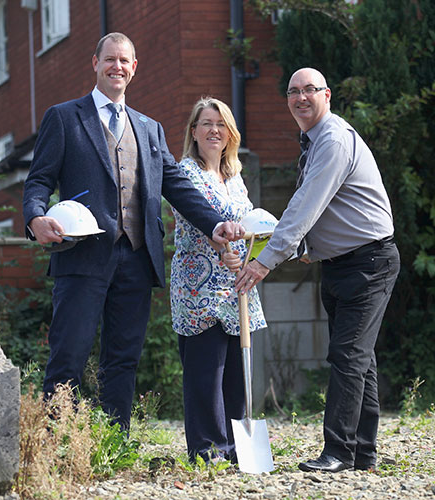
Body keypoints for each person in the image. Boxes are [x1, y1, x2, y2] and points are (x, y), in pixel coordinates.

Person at [22, 33, 242, 430]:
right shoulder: (65, 117)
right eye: (110, 60)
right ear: (95, 63)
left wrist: (215, 223)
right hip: (82, 258)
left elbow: (176, 186)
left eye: (125, 61)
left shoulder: (149, 128)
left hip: (136, 261)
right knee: (68, 355)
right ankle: (56, 448)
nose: (117, 67)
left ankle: (114, 444)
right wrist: (35, 217)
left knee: (122, 360)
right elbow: (38, 180)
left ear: (134, 68)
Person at [235, 68, 400, 473]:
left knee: (347, 356)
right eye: (293, 92)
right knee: (360, 360)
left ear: (327, 94)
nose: (301, 98)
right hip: (342, 264)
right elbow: (322, 208)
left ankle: (338, 452)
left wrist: (264, 262)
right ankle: (364, 453)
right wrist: (307, 248)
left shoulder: (333, 139)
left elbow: (306, 204)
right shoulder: (313, 141)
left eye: (310, 90)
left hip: (369, 262)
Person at [170, 97, 266, 463]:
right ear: (193, 132)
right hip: (199, 286)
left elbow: (249, 225)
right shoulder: (184, 173)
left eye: (221, 124)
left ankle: (237, 448)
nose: (214, 130)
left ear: (230, 134)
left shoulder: (234, 177)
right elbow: (197, 217)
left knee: (237, 373)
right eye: (206, 123)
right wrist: (220, 243)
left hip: (237, 284)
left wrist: (250, 254)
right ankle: (209, 450)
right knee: (206, 373)